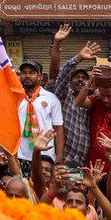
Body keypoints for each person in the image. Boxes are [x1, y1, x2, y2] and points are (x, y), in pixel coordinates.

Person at [46, 27, 98, 169]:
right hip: (65, 159)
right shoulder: (64, 96)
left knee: (79, 191)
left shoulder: (92, 101)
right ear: (70, 81)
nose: (80, 80)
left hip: (84, 161)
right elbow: (61, 73)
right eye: (77, 77)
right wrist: (78, 58)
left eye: (84, 78)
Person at [17, 59, 64, 172]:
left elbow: (58, 129)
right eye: (24, 72)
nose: (27, 76)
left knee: (44, 188)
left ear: (40, 76)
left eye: (32, 73)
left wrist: (59, 157)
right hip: (21, 156)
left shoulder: (51, 98)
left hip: (46, 155)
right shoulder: (14, 98)